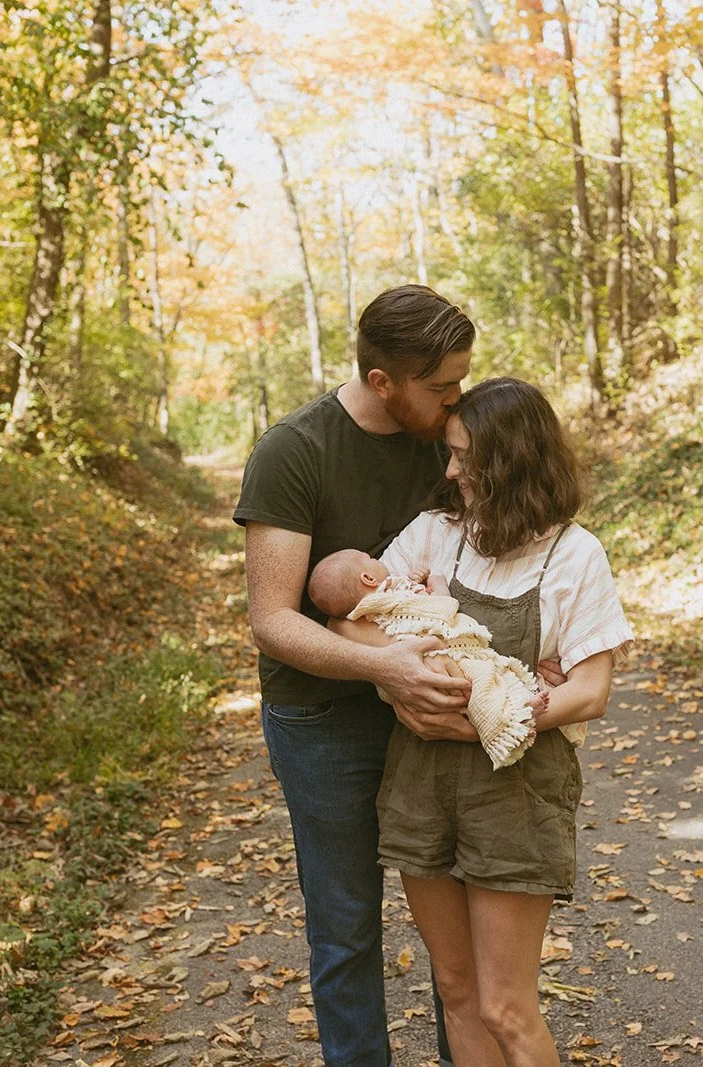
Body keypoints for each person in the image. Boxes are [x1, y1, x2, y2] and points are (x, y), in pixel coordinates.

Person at [348, 377, 634, 1067]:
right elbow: (351, 624)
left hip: (517, 789)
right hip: (421, 783)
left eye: (464, 456)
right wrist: (409, 673)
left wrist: (497, 713)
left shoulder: (574, 554)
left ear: (510, 462)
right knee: (456, 988)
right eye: (449, 453)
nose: (449, 471)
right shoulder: (437, 536)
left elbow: (591, 690)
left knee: (507, 1004)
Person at [234, 284, 484, 1067]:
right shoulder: (295, 451)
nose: (456, 398)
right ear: (383, 382)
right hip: (324, 721)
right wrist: (382, 667)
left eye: (461, 380)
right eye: (441, 385)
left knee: (463, 923)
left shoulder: (452, 437)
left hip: (437, 707)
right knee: (346, 925)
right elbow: (272, 620)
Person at [306, 548, 555, 768]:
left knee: (486, 684)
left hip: (417, 680)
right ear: (368, 578)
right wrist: (438, 584)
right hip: (437, 661)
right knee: (484, 683)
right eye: (369, 558)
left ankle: (516, 706)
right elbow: (440, 611)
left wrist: (414, 581)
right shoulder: (389, 601)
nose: (376, 559)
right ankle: (509, 722)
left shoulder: (368, 611)